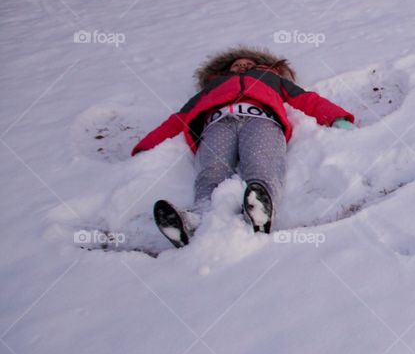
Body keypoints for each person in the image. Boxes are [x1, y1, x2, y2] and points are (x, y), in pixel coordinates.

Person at [131, 46, 355, 247]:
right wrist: (147, 145)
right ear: (227, 71)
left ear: (262, 66)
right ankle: (196, 218)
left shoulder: (271, 79)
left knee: (262, 162)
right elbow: (179, 118)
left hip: (261, 121)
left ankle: (260, 210)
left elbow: (307, 99)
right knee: (212, 171)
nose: (242, 66)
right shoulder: (213, 87)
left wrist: (336, 117)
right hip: (217, 126)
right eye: (236, 65)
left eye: (249, 64)